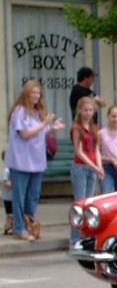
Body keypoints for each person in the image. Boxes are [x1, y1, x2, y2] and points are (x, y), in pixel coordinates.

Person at [5, 80, 64, 241]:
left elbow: (41, 133)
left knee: (33, 195)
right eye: (33, 93)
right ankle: (18, 228)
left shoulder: (38, 113)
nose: (36, 96)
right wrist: (44, 123)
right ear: (26, 94)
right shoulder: (19, 111)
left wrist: (52, 128)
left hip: (36, 160)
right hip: (21, 161)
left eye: (38, 93)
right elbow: (25, 134)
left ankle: (29, 224)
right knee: (20, 195)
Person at [70, 96, 103, 244]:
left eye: (90, 110)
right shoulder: (76, 128)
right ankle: (75, 238)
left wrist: (99, 166)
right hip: (80, 167)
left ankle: (86, 236)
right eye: (85, 110)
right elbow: (79, 151)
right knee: (79, 204)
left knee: (89, 204)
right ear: (79, 110)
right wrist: (94, 166)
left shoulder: (94, 128)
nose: (88, 113)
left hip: (91, 168)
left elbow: (96, 149)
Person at [2, 152, 13, 235]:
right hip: (8, 197)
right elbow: (5, 183)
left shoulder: (11, 170)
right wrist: (15, 184)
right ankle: (8, 227)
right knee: (10, 214)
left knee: (12, 213)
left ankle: (10, 226)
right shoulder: (6, 170)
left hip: (12, 196)